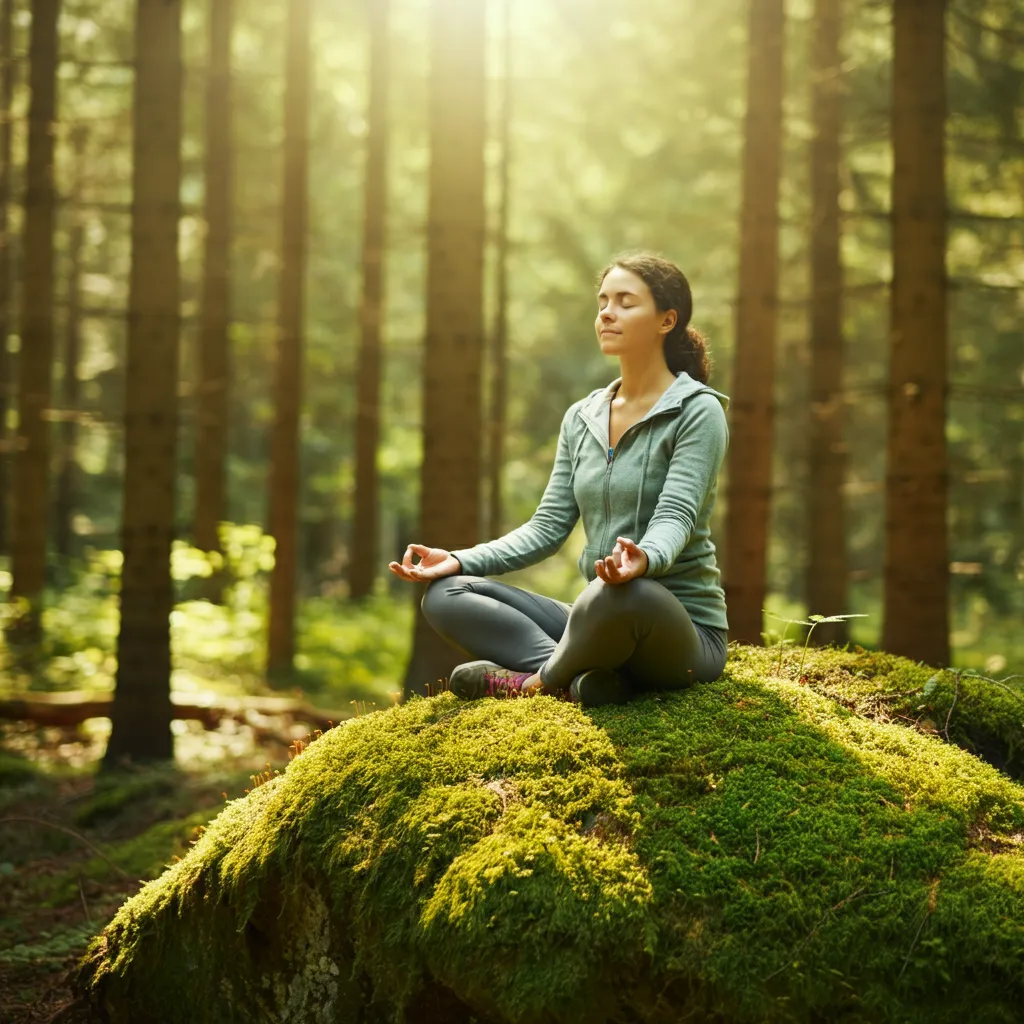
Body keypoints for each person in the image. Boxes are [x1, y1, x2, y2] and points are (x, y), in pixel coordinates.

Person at [388, 252, 730, 706]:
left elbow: (677, 515)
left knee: (623, 594)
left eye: (626, 302)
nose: (607, 312)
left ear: (667, 320)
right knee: (447, 595)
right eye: (603, 300)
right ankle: (582, 679)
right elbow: (547, 527)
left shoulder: (697, 410)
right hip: (597, 615)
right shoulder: (582, 417)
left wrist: (642, 559)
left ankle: (534, 685)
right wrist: (457, 558)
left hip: (677, 629)